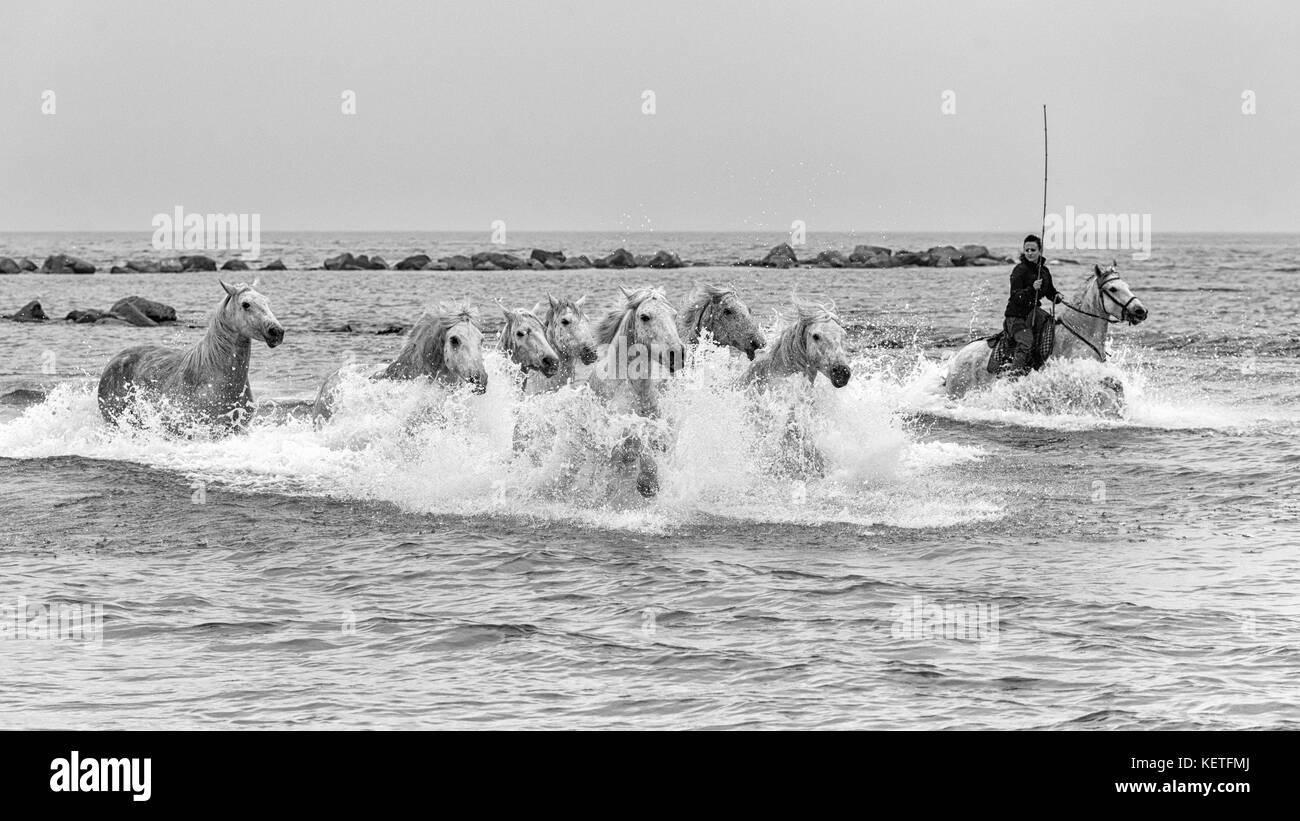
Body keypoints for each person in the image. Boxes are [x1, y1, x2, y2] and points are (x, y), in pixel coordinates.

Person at [1003, 234, 1061, 375]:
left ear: (1040, 251)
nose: (1029, 253)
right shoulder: (1019, 270)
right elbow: (1016, 296)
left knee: (1055, 326)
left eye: (1033, 250)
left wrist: (1057, 297)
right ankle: (1013, 377)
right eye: (1027, 250)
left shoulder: (1044, 271)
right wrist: (1032, 289)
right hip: (1016, 317)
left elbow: (1050, 292)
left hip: (1033, 313)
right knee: (1026, 341)